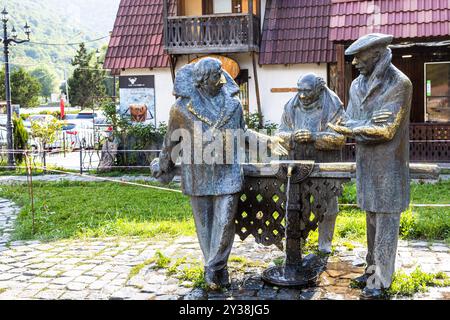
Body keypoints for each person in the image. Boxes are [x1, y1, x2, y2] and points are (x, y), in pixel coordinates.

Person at [152, 58, 287, 290]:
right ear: (202, 81)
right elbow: (172, 141)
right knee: (205, 229)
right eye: (216, 76)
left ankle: (213, 268)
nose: (222, 79)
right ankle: (215, 269)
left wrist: (267, 142)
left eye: (222, 74)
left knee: (225, 224)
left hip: (228, 174)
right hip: (197, 175)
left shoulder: (233, 105)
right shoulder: (181, 109)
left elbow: (242, 134)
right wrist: (163, 165)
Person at [328, 33, 412, 299]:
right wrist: (361, 126)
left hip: (390, 165)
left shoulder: (399, 83)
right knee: (372, 219)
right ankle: (371, 268)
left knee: (386, 220)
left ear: (376, 54)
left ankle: (381, 280)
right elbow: (353, 120)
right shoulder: (356, 85)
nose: (354, 63)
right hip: (366, 163)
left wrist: (356, 127)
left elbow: (386, 130)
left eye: (359, 57)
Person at [278, 73, 346, 254]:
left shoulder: (333, 107)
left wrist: (314, 137)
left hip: (326, 165)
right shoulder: (290, 107)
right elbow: (280, 135)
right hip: (297, 165)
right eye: (299, 90)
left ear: (319, 89)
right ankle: (297, 239)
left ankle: (325, 243)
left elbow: (340, 137)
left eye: (307, 91)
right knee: (297, 204)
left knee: (329, 205)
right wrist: (292, 136)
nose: (302, 95)